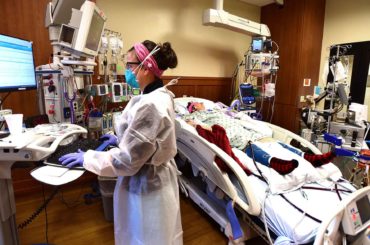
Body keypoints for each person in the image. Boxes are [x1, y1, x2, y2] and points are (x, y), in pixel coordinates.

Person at [59, 40, 183, 245]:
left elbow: (127, 161)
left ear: (146, 67)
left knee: (144, 237)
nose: (126, 71)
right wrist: (120, 138)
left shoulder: (151, 104)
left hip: (147, 187)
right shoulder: (156, 95)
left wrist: (87, 158)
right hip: (154, 179)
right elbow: (149, 140)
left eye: (129, 65)